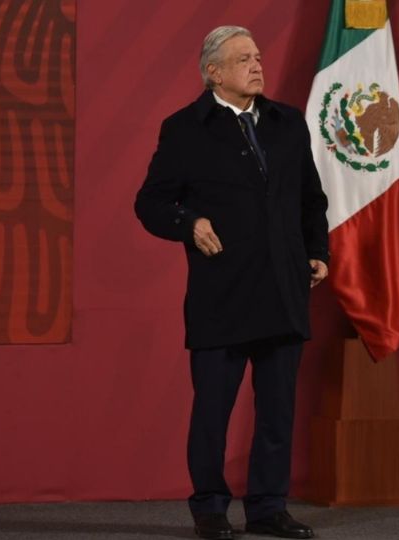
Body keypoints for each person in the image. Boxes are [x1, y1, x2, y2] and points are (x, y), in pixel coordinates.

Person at [134, 25, 329, 540]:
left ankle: (268, 508)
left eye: (258, 56)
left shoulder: (289, 123)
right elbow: (150, 203)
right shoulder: (184, 128)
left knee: (276, 414)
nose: (257, 65)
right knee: (213, 414)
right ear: (213, 73)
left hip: (284, 291)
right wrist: (190, 224)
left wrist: (317, 252)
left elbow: (311, 198)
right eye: (244, 59)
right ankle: (211, 509)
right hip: (222, 294)